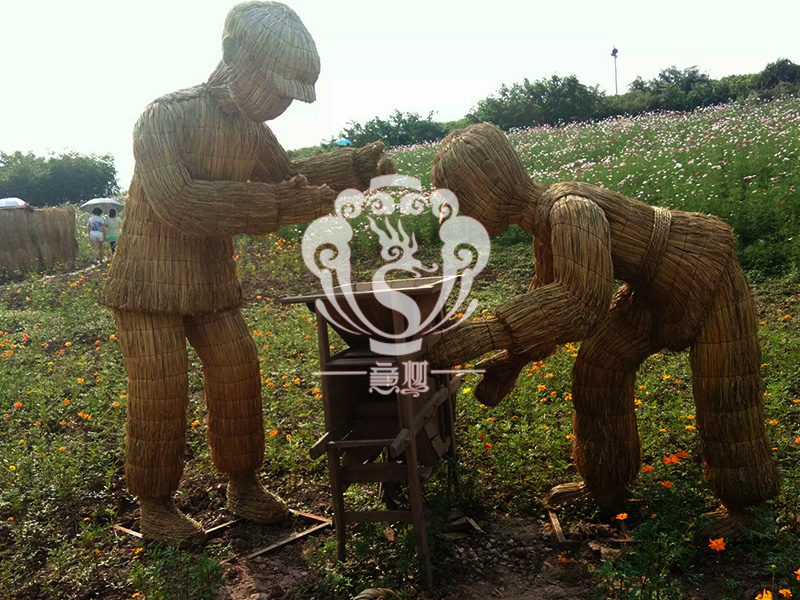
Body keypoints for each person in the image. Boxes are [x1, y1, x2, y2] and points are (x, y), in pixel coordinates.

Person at [101, 1, 393, 544]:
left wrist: (354, 167)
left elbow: (288, 174)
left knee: (238, 373)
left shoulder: (252, 132)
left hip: (211, 281)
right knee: (160, 388)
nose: (281, 102)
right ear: (234, 53)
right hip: (147, 282)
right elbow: (180, 202)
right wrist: (280, 207)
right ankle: (155, 504)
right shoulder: (165, 117)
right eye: (275, 86)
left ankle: (243, 483)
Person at [426, 122, 779, 531]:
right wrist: (511, 362)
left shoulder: (569, 210)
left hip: (705, 272)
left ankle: (745, 507)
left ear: (491, 181)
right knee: (598, 368)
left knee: (724, 389)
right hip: (650, 292)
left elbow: (581, 302)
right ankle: (606, 485)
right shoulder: (543, 226)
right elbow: (546, 298)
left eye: (460, 201)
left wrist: (484, 333)